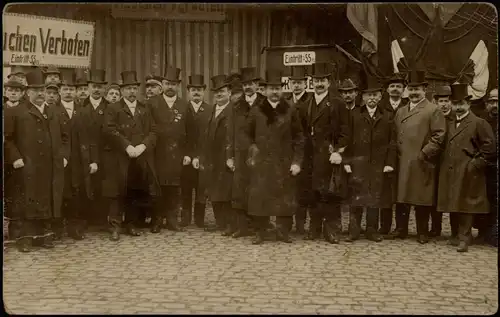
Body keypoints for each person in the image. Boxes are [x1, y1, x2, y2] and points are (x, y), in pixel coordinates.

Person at [4, 68, 69, 252]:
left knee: (46, 199)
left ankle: (43, 236)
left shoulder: (54, 111)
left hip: (50, 165)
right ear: (27, 92)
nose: (40, 94)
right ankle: (24, 238)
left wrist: (63, 155)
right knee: (27, 201)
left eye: (43, 90)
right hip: (27, 164)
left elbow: (65, 136)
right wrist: (15, 157)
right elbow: (7, 138)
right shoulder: (17, 111)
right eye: (35, 91)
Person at [246, 69, 305, 244]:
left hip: (283, 162)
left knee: (284, 198)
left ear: (282, 90)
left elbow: (299, 137)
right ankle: (260, 232)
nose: (274, 91)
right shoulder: (256, 111)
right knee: (260, 198)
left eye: (277, 88)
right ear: (264, 91)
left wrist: (297, 162)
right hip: (262, 163)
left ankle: (283, 231)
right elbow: (246, 135)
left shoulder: (290, 110)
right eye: (271, 88)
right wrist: (252, 153)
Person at [437, 83, 495, 252]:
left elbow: (489, 148)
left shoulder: (479, 123)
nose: (458, 107)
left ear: (468, 104)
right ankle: (455, 235)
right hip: (450, 169)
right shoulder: (448, 122)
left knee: (466, 204)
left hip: (469, 170)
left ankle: (465, 237)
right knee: (453, 202)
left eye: (462, 103)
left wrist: (475, 164)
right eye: (455, 104)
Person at [102, 70, 159, 241]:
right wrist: (126, 146)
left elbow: (154, 131)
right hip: (120, 157)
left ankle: (131, 224)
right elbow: (109, 130)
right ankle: (115, 226)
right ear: (122, 91)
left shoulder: (144, 108)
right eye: (128, 89)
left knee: (135, 190)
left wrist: (143, 145)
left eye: (134, 88)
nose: (131, 92)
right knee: (118, 191)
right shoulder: (113, 108)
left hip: (140, 156)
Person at [296, 62, 349, 244]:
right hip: (311, 157)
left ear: (328, 82)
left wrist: (338, 152)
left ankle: (332, 230)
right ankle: (314, 228)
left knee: (331, 194)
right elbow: (300, 132)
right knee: (313, 194)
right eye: (316, 80)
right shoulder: (306, 105)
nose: (319, 84)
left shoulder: (337, 104)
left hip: (329, 157)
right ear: (312, 82)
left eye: (322, 80)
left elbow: (345, 132)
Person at [392, 69, 446, 243]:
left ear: (425, 90)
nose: (414, 92)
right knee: (402, 196)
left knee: (421, 197)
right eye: (411, 88)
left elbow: (439, 136)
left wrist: (424, 154)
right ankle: (401, 229)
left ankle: (422, 232)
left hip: (421, 161)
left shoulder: (433, 110)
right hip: (402, 159)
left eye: (417, 89)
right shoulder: (401, 111)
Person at [343, 74, 397, 242]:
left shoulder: (387, 116)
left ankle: (372, 230)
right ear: (363, 97)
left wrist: (389, 163)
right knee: (356, 197)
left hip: (378, 164)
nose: (371, 98)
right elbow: (347, 140)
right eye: (368, 95)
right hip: (358, 164)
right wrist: (346, 162)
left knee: (374, 198)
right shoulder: (354, 115)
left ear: (380, 97)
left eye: (375, 95)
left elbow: (392, 142)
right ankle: (354, 230)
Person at [52, 69, 99, 241]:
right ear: (60, 91)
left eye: (71, 89)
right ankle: (57, 228)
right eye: (65, 89)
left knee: (77, 193)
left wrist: (94, 160)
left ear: (76, 91)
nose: (69, 92)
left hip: (80, 160)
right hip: (61, 160)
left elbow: (92, 138)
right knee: (60, 193)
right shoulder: (52, 111)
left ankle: (75, 227)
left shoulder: (84, 111)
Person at [148, 66, 192, 233]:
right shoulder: (152, 103)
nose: (170, 87)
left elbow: (191, 131)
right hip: (157, 152)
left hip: (177, 153)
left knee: (174, 187)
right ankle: (158, 219)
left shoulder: (184, 105)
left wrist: (188, 153)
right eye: (167, 83)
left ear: (178, 86)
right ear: (162, 85)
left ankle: (172, 220)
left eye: (173, 84)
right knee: (157, 187)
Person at [195, 75, 234, 234]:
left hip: (226, 158)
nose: (219, 95)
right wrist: (199, 156)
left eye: (222, 91)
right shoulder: (210, 111)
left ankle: (229, 225)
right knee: (214, 192)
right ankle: (220, 223)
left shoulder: (234, 111)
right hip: (211, 159)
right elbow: (203, 137)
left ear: (229, 93)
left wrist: (232, 158)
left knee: (227, 193)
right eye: (216, 92)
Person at [378, 72, 408, 238]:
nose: (395, 89)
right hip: (384, 156)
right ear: (387, 89)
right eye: (392, 86)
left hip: (403, 155)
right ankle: (385, 226)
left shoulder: (409, 105)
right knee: (385, 192)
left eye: (399, 86)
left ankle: (401, 228)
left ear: (403, 90)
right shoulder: (380, 106)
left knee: (402, 192)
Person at [180, 74, 212, 228]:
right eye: (193, 90)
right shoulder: (182, 109)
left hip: (203, 157)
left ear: (204, 91)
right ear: (188, 92)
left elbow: (210, 137)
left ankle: (199, 219)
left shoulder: (211, 110)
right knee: (186, 188)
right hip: (185, 157)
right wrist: (187, 155)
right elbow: (180, 135)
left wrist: (200, 156)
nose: (196, 92)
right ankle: (185, 218)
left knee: (201, 189)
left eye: (199, 90)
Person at [80, 69, 109, 230]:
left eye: (100, 86)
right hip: (86, 152)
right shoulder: (81, 106)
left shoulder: (110, 107)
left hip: (105, 152)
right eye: (94, 86)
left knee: (103, 186)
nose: (97, 89)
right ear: (89, 87)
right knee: (87, 184)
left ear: (104, 89)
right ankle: (87, 219)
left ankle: (102, 219)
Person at [427, 85, 454, 239]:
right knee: (434, 195)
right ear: (436, 102)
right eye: (441, 101)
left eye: (446, 101)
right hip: (435, 161)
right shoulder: (433, 116)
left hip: (451, 162)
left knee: (452, 196)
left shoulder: (454, 117)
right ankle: (435, 228)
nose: (444, 104)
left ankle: (454, 230)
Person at [3, 77, 27, 241]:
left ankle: (16, 231)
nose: (13, 93)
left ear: (22, 93)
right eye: (10, 90)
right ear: (5, 92)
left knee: (17, 194)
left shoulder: (26, 110)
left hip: (20, 160)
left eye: (17, 91)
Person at [476, 88, 498, 246]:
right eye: (491, 102)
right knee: (484, 199)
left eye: (497, 102)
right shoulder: (481, 120)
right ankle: (482, 231)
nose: (494, 105)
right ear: (486, 103)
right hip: (485, 166)